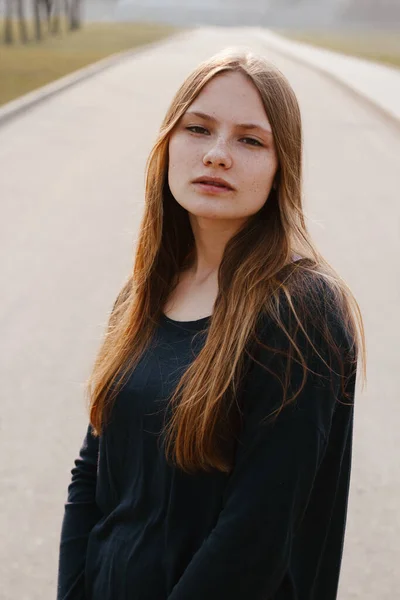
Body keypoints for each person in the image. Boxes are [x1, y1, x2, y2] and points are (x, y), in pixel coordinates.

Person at [56, 47, 366, 600]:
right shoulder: (143, 293)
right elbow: (93, 473)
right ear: (168, 145)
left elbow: (257, 536)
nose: (218, 154)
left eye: (250, 140)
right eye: (198, 129)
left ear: (280, 167)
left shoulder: (300, 311)